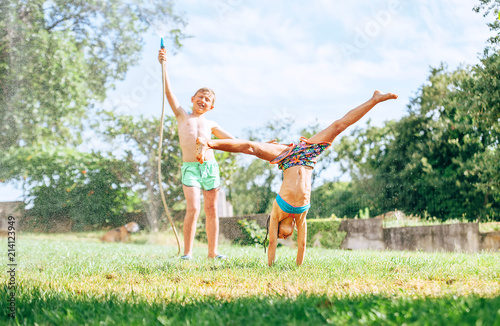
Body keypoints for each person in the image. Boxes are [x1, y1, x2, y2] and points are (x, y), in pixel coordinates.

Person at [196, 91, 398, 266]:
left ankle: (208, 143)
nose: (286, 235)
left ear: (275, 229)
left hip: (286, 155)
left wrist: (270, 266)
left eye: (282, 235)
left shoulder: (277, 212)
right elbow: (302, 246)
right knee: (338, 126)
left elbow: (272, 244)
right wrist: (298, 267)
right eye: (287, 235)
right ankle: (375, 100)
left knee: (252, 147)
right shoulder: (300, 218)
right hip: (308, 155)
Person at [158, 50, 235, 260]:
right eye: (200, 96)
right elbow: (168, 93)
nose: (203, 100)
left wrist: (262, 145)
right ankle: (188, 253)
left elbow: (234, 142)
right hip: (190, 168)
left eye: (207, 99)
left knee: (211, 209)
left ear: (211, 106)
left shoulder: (211, 123)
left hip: (210, 168)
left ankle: (212, 252)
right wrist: (164, 65)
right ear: (193, 99)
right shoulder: (183, 116)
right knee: (193, 208)